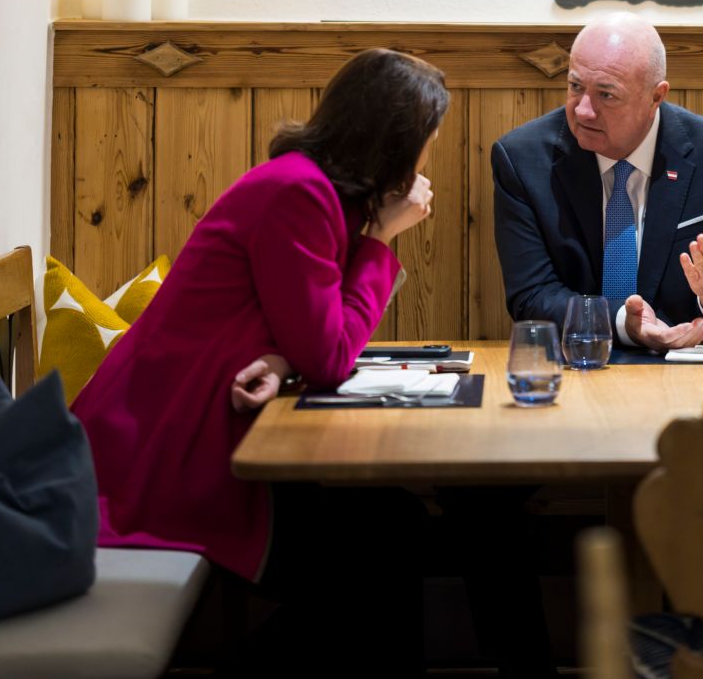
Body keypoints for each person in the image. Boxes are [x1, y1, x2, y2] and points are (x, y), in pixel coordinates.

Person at [71, 48, 449, 669]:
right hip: (165, 457)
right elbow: (329, 355)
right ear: (393, 145)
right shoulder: (299, 195)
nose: (425, 160)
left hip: (190, 429)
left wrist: (277, 358)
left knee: (391, 530)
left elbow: (298, 331)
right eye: (426, 142)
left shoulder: (309, 189)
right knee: (386, 542)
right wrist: (382, 239)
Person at [491, 12, 703, 349]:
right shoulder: (522, 158)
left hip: (686, 371)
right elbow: (531, 296)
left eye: (607, 95)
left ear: (656, 97)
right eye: (575, 86)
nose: (583, 111)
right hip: (574, 367)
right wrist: (623, 323)